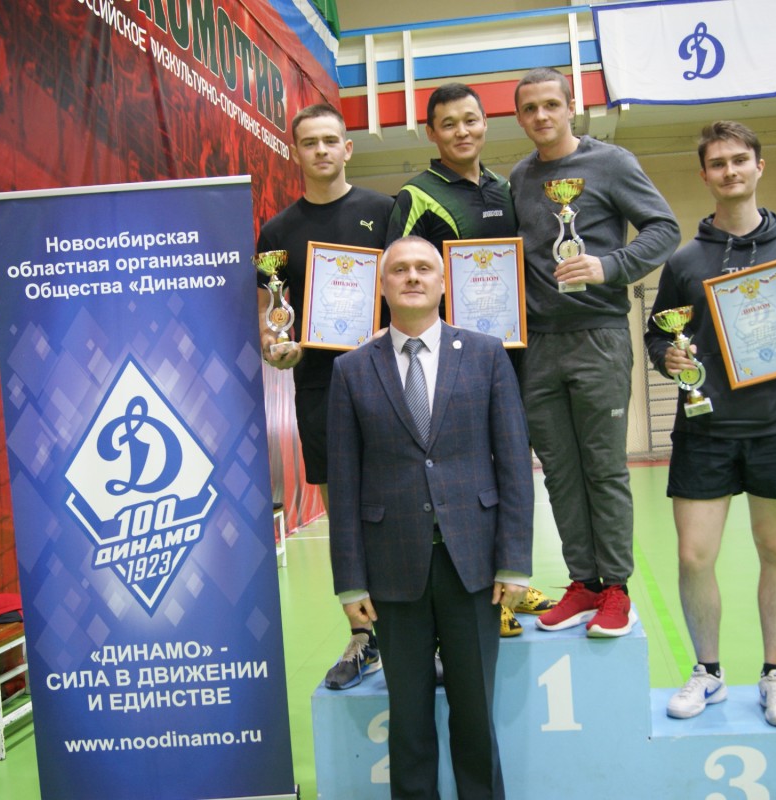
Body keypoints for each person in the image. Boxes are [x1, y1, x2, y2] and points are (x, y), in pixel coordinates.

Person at [643, 120, 776, 727]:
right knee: (693, 555)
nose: (730, 171)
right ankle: (707, 671)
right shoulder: (685, 260)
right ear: (704, 175)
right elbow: (658, 333)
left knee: (775, 546)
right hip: (704, 427)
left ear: (759, 166)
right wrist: (668, 356)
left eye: (739, 160)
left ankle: (774, 675)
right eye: (718, 163)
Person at [328, 236, 533, 800]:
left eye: (424, 268)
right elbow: (343, 484)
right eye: (400, 269)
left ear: (443, 283)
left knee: (476, 714)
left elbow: (514, 463)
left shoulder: (487, 354)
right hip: (392, 569)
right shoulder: (351, 370)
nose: (412, 277)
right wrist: (350, 581)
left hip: (476, 566)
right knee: (409, 719)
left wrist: (515, 560)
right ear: (382, 286)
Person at [510, 67, 679, 638]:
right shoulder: (519, 178)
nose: (541, 116)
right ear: (519, 117)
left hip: (599, 336)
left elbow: (664, 229)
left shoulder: (612, 163)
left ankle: (616, 589)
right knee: (559, 472)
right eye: (529, 108)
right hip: (538, 345)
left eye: (550, 104)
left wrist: (610, 266)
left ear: (571, 107)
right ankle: (582, 582)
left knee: (603, 469)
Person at [388, 81, 554, 636]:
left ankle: (512, 580)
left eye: (471, 120)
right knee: (466, 474)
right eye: (449, 124)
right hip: (448, 364)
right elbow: (398, 275)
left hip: (510, 355)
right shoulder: (416, 196)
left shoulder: (505, 189)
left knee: (512, 466)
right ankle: (482, 596)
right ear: (431, 133)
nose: (462, 131)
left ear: (486, 123)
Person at [255, 103, 393, 690]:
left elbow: (409, 288)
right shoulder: (277, 233)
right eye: (309, 142)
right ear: (295, 151)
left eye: (330, 140)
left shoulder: (384, 212)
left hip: (387, 379)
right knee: (344, 516)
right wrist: (273, 347)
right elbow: (270, 315)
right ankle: (364, 636)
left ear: (347, 148)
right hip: (318, 388)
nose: (321, 150)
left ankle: (417, 630)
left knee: (403, 502)